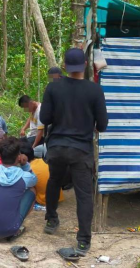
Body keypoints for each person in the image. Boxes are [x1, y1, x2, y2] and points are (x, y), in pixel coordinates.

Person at [40, 48, 108, 256]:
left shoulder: (53, 88)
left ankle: (51, 220)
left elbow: (44, 119)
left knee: (54, 181)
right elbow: (103, 125)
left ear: (64, 67)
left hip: (58, 147)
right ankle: (83, 241)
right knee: (84, 194)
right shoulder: (94, 90)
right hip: (81, 150)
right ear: (86, 65)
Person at [20, 140, 64, 206]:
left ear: (22, 157)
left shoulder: (28, 170)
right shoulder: (42, 161)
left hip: (44, 200)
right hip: (58, 197)